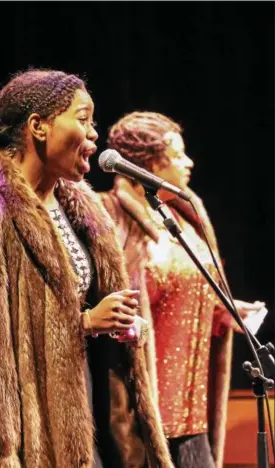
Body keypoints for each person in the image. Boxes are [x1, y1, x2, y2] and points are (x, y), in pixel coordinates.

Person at [0, 72, 175, 468]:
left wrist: (122, 325)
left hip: (96, 417)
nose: (94, 135)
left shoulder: (85, 209)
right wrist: (83, 322)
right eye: (82, 119)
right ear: (38, 127)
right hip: (32, 435)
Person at [99, 111, 265, 468]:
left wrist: (225, 309)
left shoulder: (184, 217)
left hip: (193, 411)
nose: (188, 163)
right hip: (145, 415)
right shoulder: (111, 216)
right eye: (177, 155)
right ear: (147, 163)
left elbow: (187, 289)